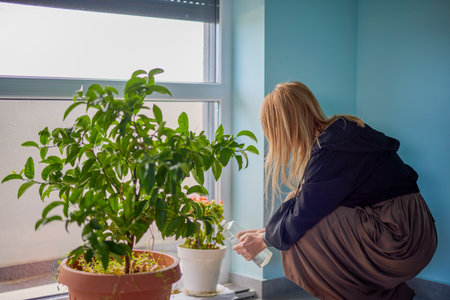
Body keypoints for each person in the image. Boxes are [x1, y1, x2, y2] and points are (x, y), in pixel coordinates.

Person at [232, 81, 437, 300]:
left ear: (285, 125)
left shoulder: (331, 148)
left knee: (301, 232)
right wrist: (266, 233)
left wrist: (264, 240)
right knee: (297, 212)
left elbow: (304, 214)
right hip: (410, 227)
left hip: (402, 238)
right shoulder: (340, 134)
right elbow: (306, 203)